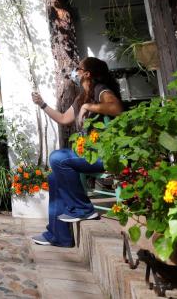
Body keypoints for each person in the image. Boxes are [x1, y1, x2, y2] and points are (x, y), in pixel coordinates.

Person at [30, 57, 123, 247]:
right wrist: (42, 104)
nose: (75, 72)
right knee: (54, 177)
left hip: (105, 156)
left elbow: (116, 108)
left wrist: (89, 107)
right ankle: (59, 235)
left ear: (87, 74)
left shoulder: (100, 90)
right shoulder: (82, 97)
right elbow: (64, 119)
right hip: (88, 155)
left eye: (78, 69)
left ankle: (82, 207)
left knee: (58, 158)